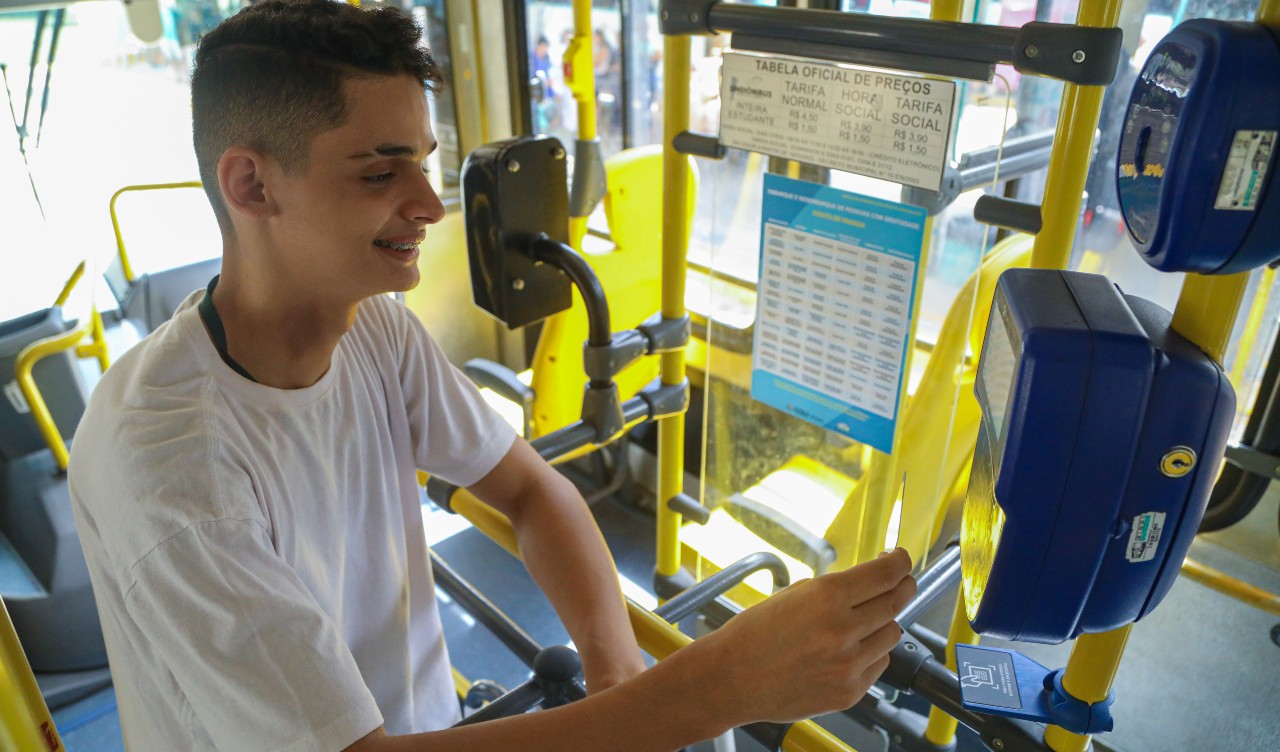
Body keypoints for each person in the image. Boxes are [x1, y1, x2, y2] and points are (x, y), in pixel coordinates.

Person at [67, 1, 916, 750]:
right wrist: (714, 689)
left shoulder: (377, 335)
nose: (432, 206)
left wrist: (619, 668)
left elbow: (529, 492)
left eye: (425, 162)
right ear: (251, 185)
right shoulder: (172, 469)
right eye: (379, 172)